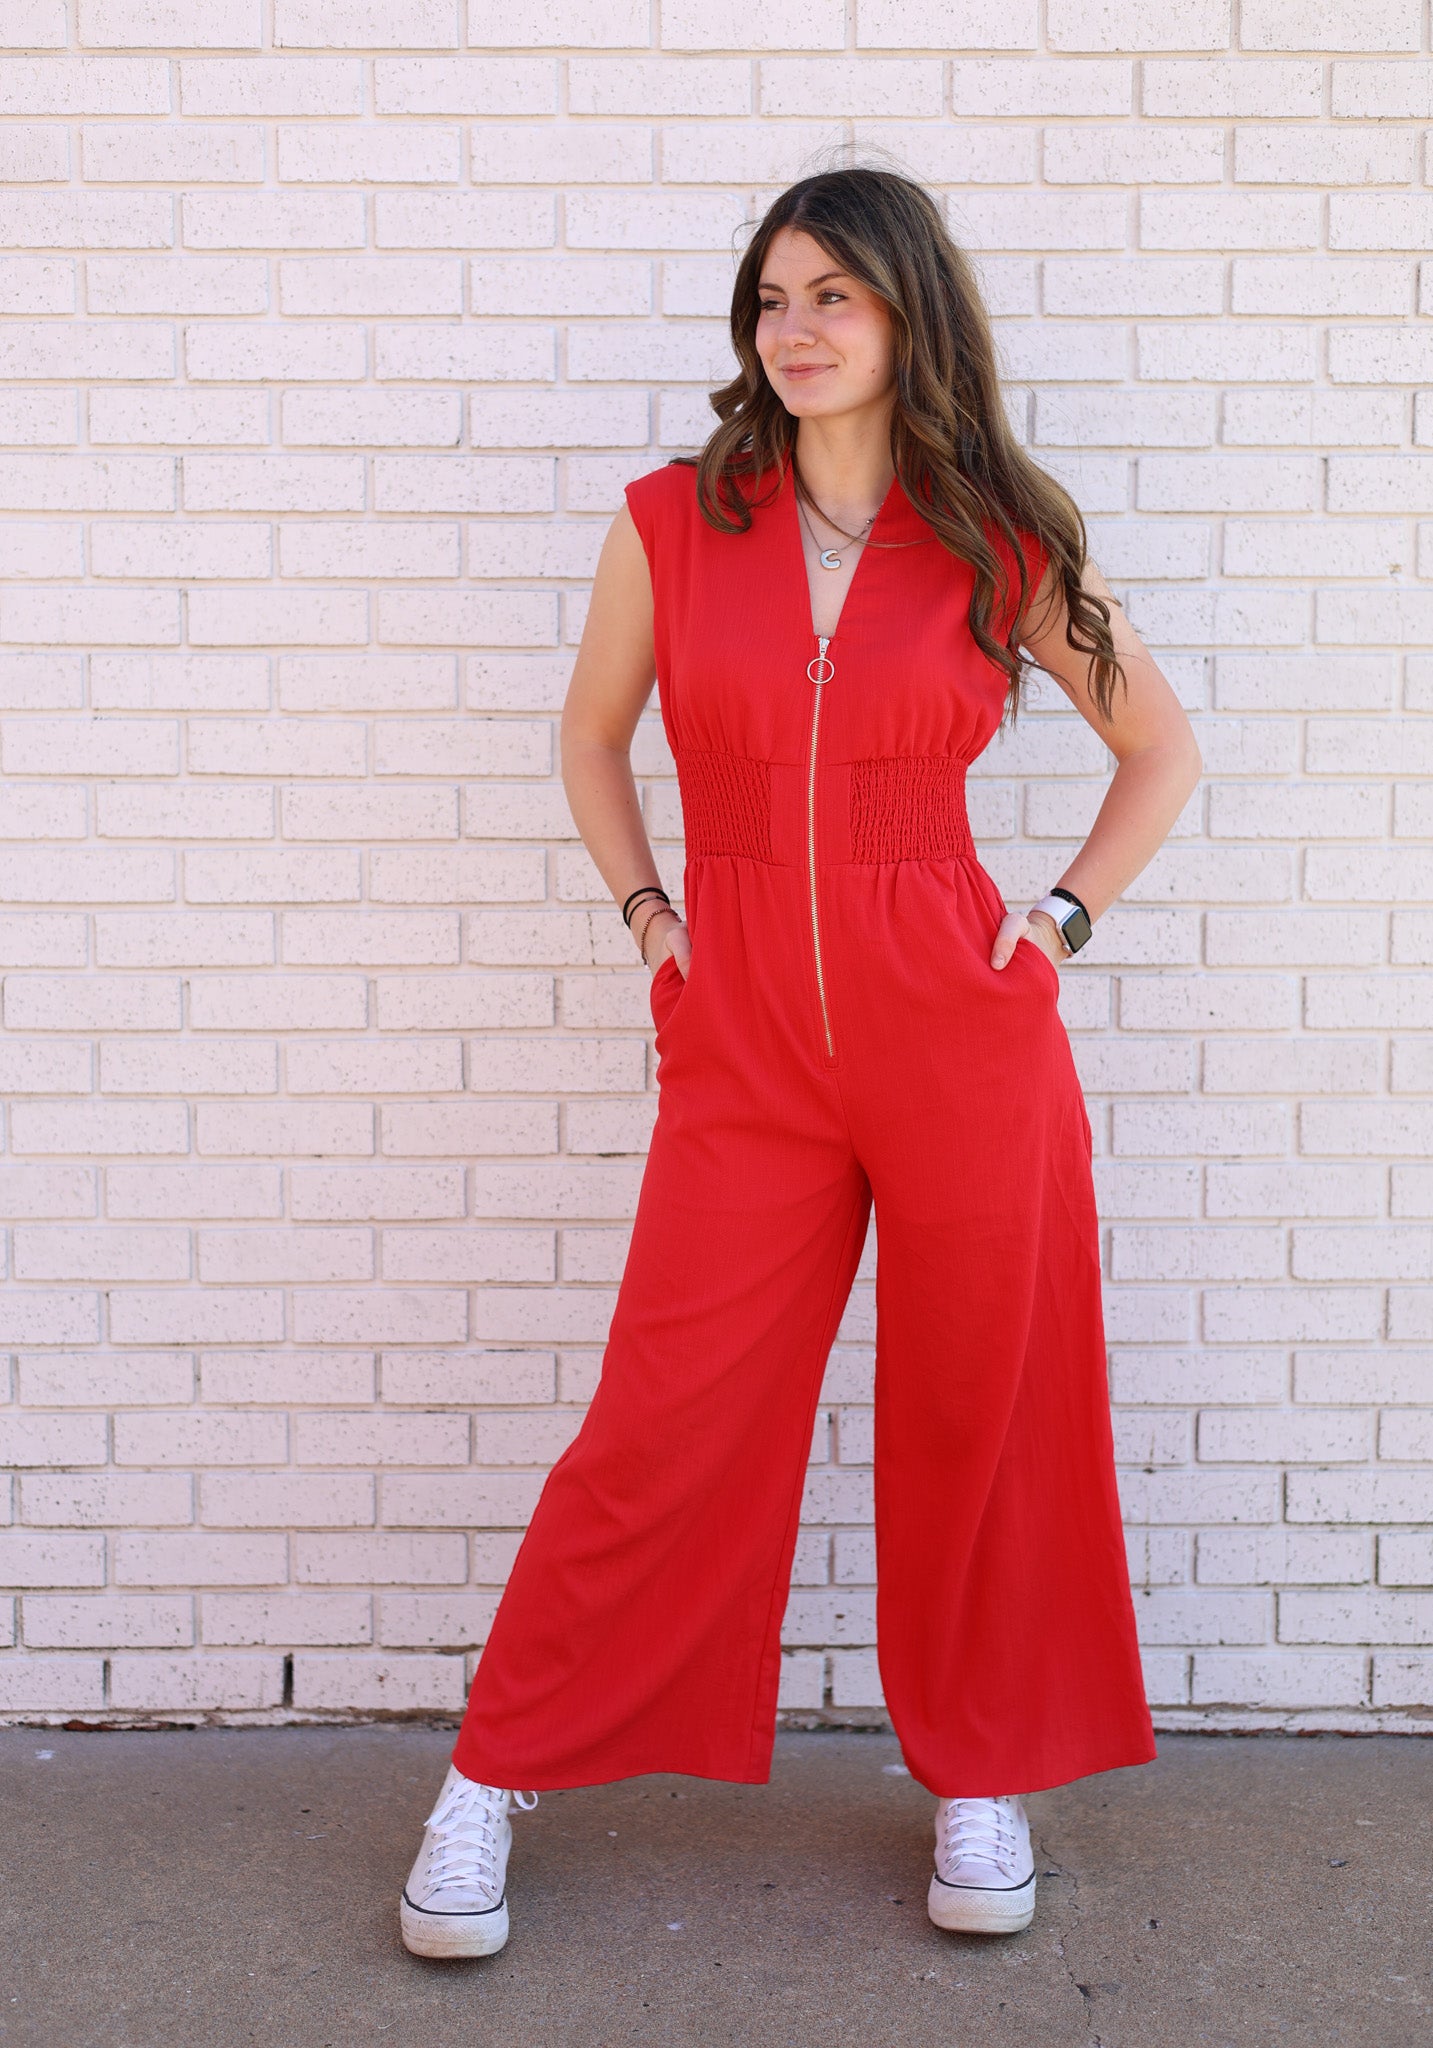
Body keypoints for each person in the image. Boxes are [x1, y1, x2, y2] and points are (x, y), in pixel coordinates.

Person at [399, 166, 1203, 1962]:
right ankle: (494, 1770)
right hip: (745, 1043)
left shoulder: (998, 536)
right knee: (660, 1421)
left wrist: (1052, 928)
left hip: (962, 1044)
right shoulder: (677, 521)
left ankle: (979, 1770)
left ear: (908, 312)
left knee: (977, 1418)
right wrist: (652, 923)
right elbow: (594, 738)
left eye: (834, 294)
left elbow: (1159, 753)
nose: (797, 329)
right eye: (773, 299)